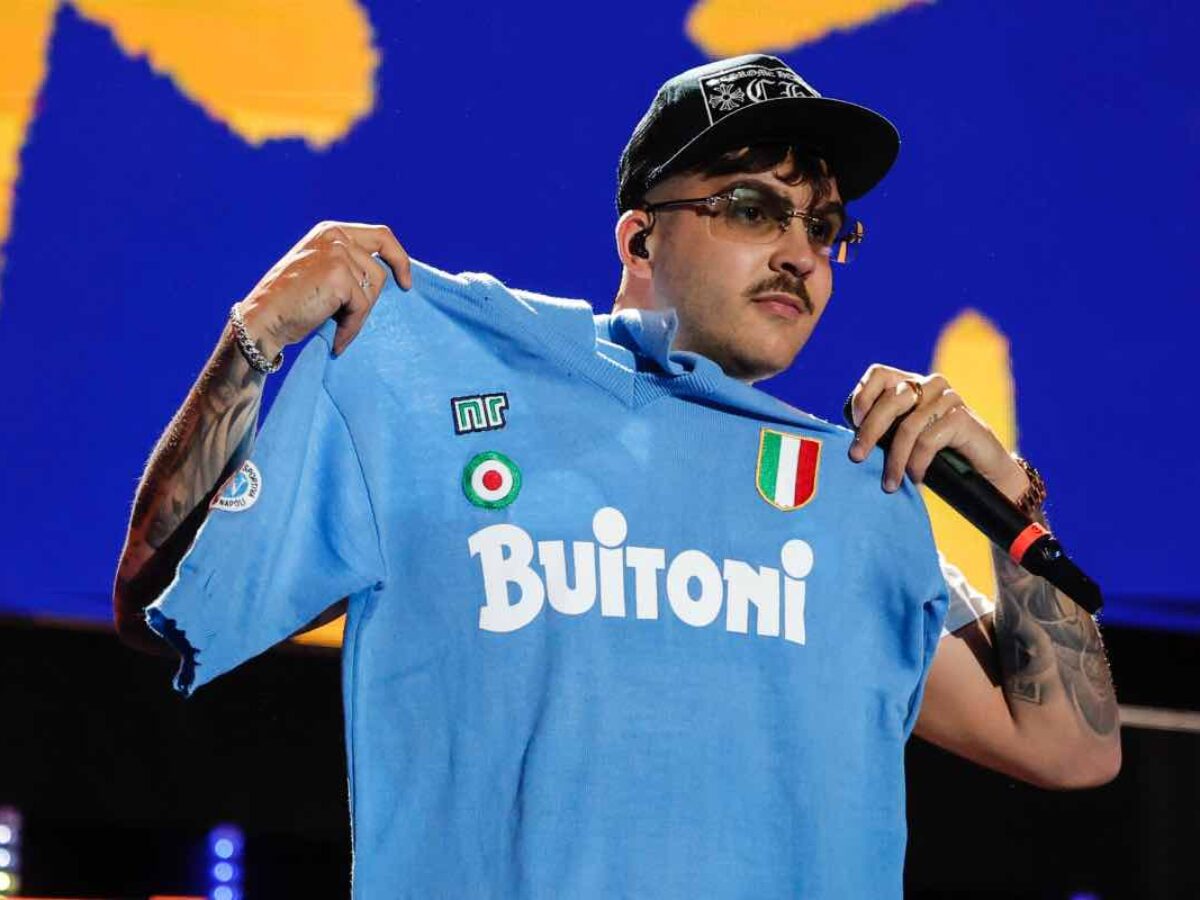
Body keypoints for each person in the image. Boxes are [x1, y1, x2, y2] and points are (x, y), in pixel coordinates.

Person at [114, 54, 1119, 898]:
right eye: (752, 208)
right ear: (640, 236)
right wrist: (252, 342)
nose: (800, 255)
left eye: (822, 226)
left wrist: (1007, 490)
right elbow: (159, 600)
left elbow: (1073, 748)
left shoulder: (849, 501)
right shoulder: (436, 395)